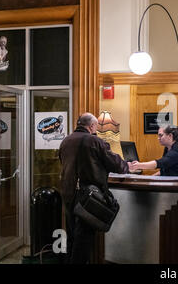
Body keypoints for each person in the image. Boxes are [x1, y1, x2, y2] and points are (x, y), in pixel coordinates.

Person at [59, 112, 137, 264]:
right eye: (96, 126)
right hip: (88, 196)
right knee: (83, 241)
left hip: (68, 193)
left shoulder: (66, 140)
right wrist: (127, 166)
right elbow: (115, 163)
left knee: (72, 237)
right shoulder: (94, 141)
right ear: (92, 126)